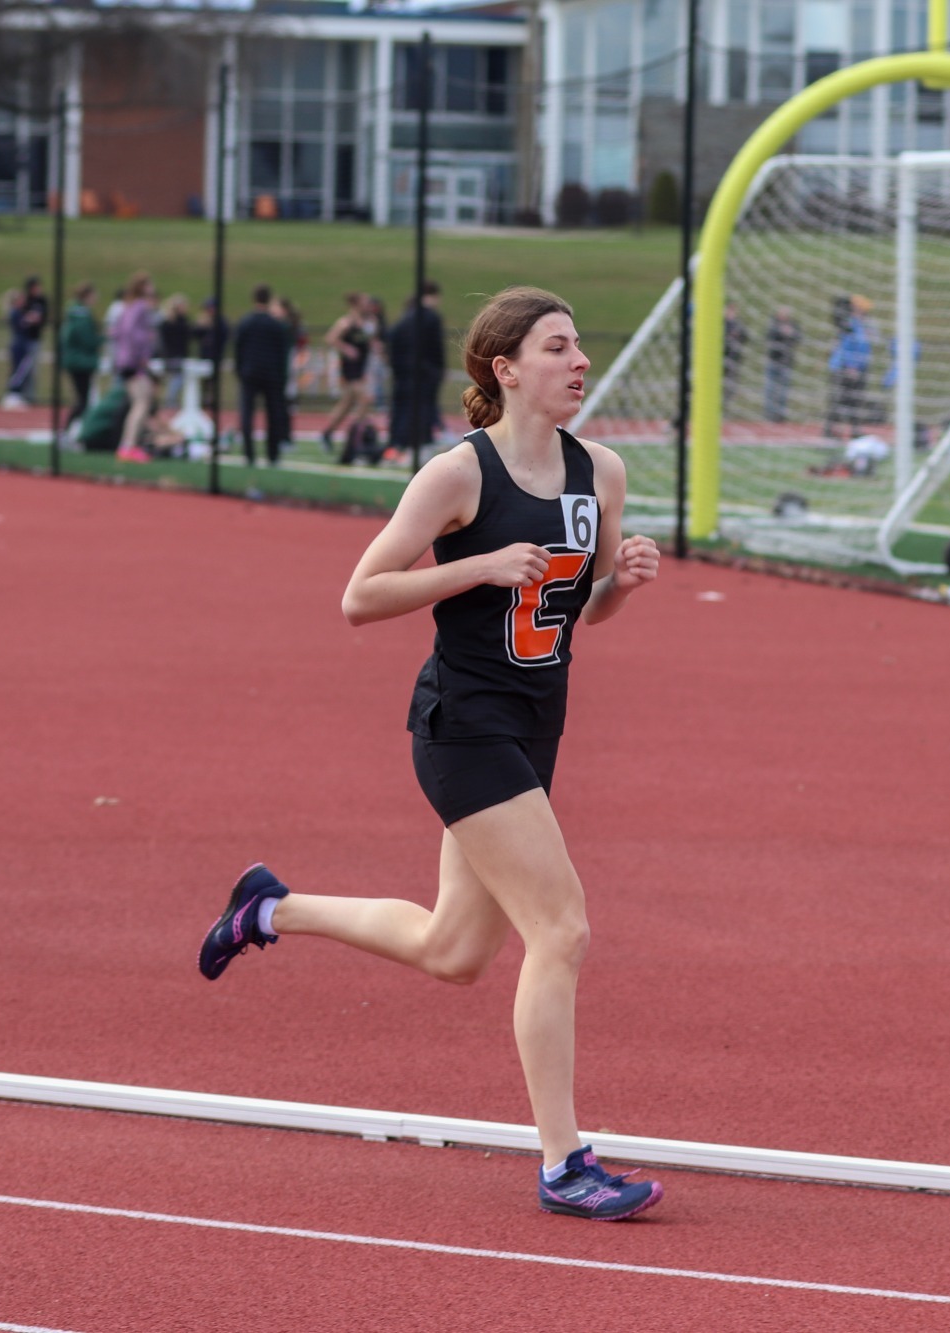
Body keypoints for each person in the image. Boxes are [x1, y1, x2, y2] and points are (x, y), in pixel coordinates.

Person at [196, 285, 666, 1223]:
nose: (579, 362)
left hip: (537, 725)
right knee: (562, 930)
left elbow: (583, 609)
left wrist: (624, 583)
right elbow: (360, 596)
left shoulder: (599, 471)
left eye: (580, 345)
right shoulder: (457, 477)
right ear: (506, 369)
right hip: (463, 725)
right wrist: (477, 566)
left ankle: (271, 908)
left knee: (454, 951)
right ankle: (564, 1162)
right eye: (558, 347)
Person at [232, 284, 293, 465]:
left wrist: (240, 370)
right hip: (271, 375)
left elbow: (238, 349)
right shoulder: (276, 325)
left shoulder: (246, 322)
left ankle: (249, 454)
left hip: (249, 373)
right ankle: (272, 455)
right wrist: (282, 376)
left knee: (247, 413)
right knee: (273, 414)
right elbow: (283, 354)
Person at [388, 281, 446, 459]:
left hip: (404, 373)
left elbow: (392, 340)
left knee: (404, 409)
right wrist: (437, 371)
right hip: (425, 373)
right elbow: (436, 348)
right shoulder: (430, 318)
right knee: (423, 408)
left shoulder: (406, 317)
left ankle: (398, 446)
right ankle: (419, 444)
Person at [109, 272, 160, 461]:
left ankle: (130, 444)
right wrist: (142, 351)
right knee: (142, 402)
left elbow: (117, 332)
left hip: (127, 361)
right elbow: (130, 332)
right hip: (133, 363)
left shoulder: (128, 306)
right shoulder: (139, 307)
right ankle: (128, 446)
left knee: (141, 401)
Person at [318, 291, 376, 457]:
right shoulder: (346, 323)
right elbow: (330, 338)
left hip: (362, 368)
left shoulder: (366, 322)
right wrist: (346, 348)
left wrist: (375, 345)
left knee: (347, 404)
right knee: (365, 399)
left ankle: (327, 433)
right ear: (356, 304)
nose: (368, 305)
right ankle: (355, 437)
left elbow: (366, 341)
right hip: (350, 370)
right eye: (365, 302)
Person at [823, 294, 873, 441]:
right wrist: (851, 367)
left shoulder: (861, 324)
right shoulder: (849, 325)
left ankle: (854, 430)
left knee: (856, 401)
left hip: (859, 367)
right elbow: (847, 347)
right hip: (845, 368)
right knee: (838, 399)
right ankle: (830, 430)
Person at [59, 282, 101, 429]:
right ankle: (67, 430)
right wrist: (103, 338)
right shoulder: (81, 315)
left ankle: (71, 430)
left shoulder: (75, 313)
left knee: (83, 400)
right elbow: (88, 340)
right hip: (81, 362)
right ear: (87, 296)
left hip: (77, 361)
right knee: (83, 401)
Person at [3, 276, 48, 409]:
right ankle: (13, 394)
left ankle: (17, 395)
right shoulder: (15, 312)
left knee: (23, 370)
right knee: (18, 371)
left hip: (23, 344)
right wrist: (30, 319)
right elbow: (21, 324)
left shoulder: (18, 312)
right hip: (19, 345)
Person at [761, 306, 800, 423]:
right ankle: (769, 415)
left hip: (786, 362)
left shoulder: (793, 324)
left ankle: (780, 416)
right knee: (770, 389)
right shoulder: (773, 323)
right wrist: (780, 330)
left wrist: (791, 333)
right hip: (773, 361)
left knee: (783, 390)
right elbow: (768, 336)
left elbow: (799, 337)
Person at [157, 293, 195, 409]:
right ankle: (170, 401)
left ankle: (171, 401)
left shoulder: (182, 321)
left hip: (179, 354)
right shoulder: (169, 322)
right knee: (176, 379)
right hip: (171, 355)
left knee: (178, 379)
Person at [722, 301, 748, 405]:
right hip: (721, 357)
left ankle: (726, 404)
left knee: (731, 383)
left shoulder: (738, 323)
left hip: (733, 358)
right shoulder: (721, 323)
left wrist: (738, 333)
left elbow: (746, 336)